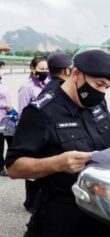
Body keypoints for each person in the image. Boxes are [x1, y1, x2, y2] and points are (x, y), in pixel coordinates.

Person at [6, 50, 110, 237]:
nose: (102, 92)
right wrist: (57, 163)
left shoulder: (97, 103)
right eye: (98, 85)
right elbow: (14, 167)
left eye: (107, 87)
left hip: (99, 210)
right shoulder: (42, 111)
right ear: (76, 74)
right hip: (62, 214)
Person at [20, 52, 72, 237]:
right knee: (45, 190)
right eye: (39, 69)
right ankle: (33, 231)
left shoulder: (48, 87)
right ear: (68, 70)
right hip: (43, 143)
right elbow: (27, 114)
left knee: (44, 190)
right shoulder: (48, 90)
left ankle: (33, 232)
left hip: (45, 143)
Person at [18, 56, 49, 213]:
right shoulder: (27, 87)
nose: (45, 72)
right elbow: (23, 112)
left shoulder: (47, 84)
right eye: (41, 69)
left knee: (43, 167)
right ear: (33, 69)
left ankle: (39, 200)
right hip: (31, 132)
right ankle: (29, 201)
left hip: (45, 132)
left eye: (46, 69)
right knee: (31, 169)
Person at [0, 61, 16, 176]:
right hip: (1, 117)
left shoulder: (2, 80)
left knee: (12, 141)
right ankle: (1, 168)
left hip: (7, 116)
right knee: (0, 145)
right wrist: (4, 105)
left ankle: (9, 164)